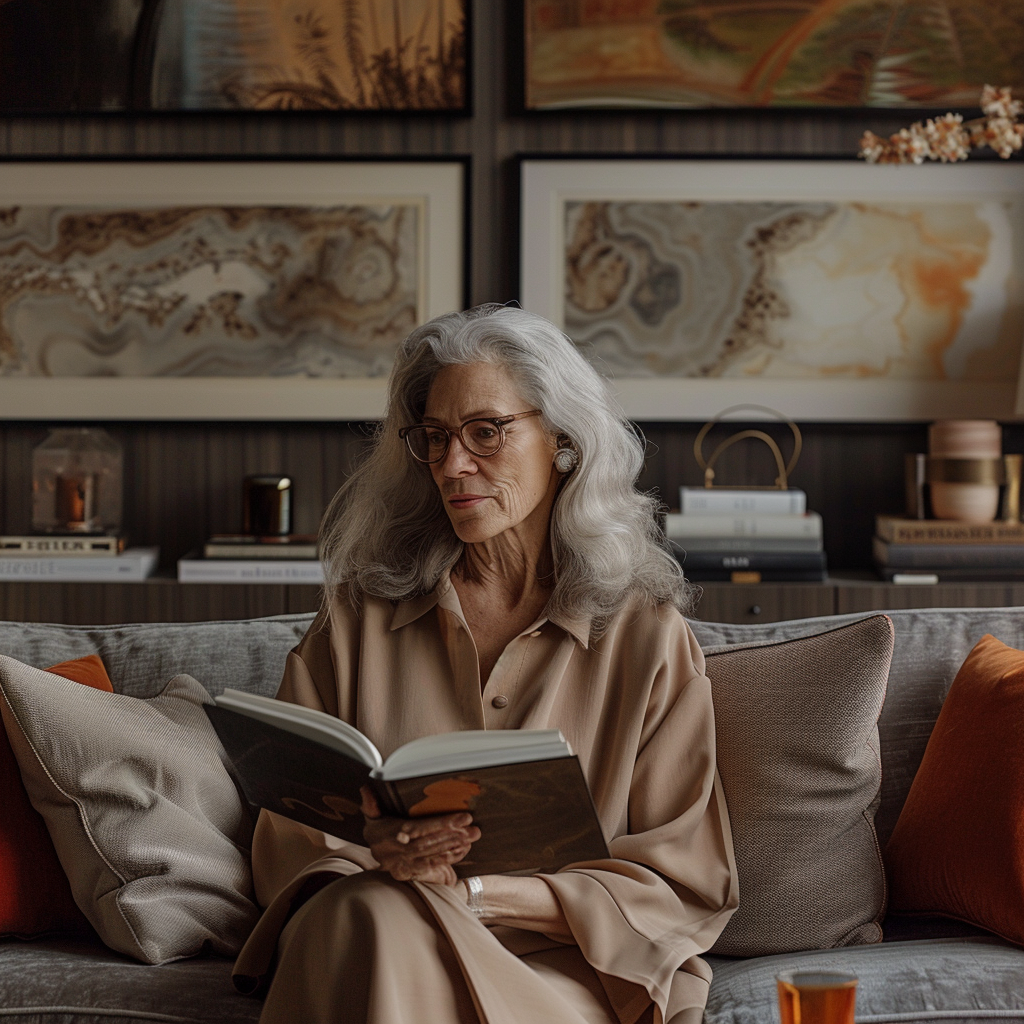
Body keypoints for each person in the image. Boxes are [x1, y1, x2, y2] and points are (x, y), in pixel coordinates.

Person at [232, 304, 739, 1024]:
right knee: (363, 915)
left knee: (370, 920)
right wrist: (380, 853)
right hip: (366, 928)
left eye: (486, 432)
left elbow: (682, 884)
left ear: (563, 439)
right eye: (434, 438)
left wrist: (469, 892)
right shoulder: (357, 618)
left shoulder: (646, 636)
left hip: (557, 973)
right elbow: (288, 832)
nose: (452, 464)